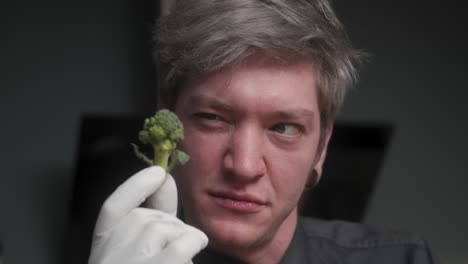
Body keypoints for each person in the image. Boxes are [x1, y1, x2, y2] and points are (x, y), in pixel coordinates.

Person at [88, 0, 439, 263]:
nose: (243, 166)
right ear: (170, 127)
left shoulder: (400, 259)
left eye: (283, 128)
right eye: (213, 117)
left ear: (321, 148)